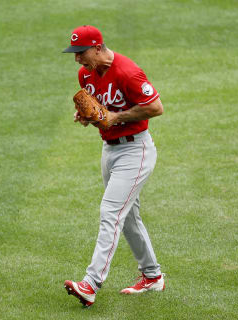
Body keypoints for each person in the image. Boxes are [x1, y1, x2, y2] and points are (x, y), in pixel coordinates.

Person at [62, 25, 165, 307]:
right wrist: (86, 116)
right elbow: (99, 111)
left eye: (80, 53)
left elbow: (156, 107)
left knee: (110, 211)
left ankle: (90, 284)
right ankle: (153, 276)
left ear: (97, 47)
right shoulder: (86, 74)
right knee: (128, 216)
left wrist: (116, 118)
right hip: (109, 151)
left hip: (136, 151)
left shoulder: (128, 72)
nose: (77, 59)